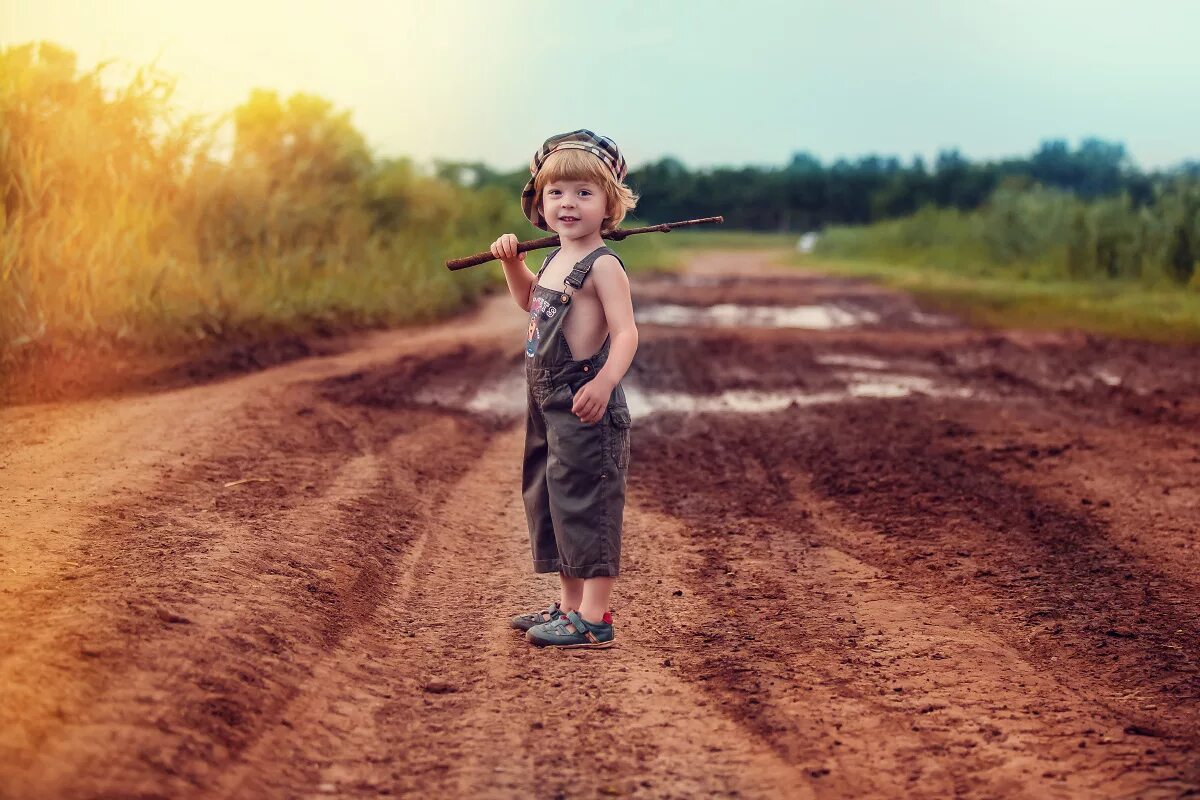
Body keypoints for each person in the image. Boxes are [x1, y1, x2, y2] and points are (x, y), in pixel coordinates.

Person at [489, 130, 639, 649]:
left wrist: (604, 381)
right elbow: (531, 302)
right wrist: (513, 264)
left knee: (589, 499)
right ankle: (570, 605)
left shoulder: (602, 266)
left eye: (583, 193)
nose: (568, 204)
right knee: (554, 497)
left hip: (583, 400)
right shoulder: (555, 257)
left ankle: (596, 617)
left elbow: (626, 333)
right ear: (540, 202)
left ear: (609, 205)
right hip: (544, 398)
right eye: (556, 193)